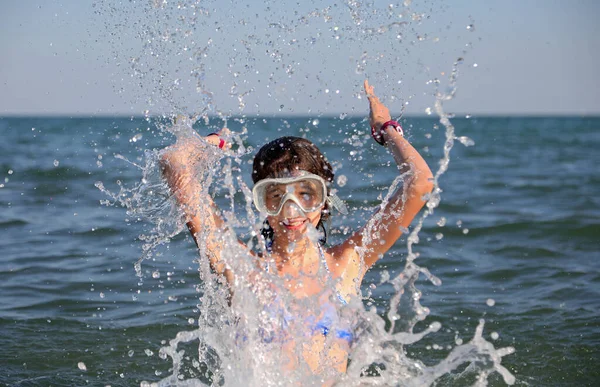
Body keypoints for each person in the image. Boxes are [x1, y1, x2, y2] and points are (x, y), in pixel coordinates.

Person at [160, 80, 434, 379]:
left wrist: (385, 128)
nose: (291, 210)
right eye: (276, 196)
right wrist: (212, 143)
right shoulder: (241, 269)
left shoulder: (347, 264)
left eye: (306, 194)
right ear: (262, 203)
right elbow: (173, 163)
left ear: (324, 198)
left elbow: (420, 183)